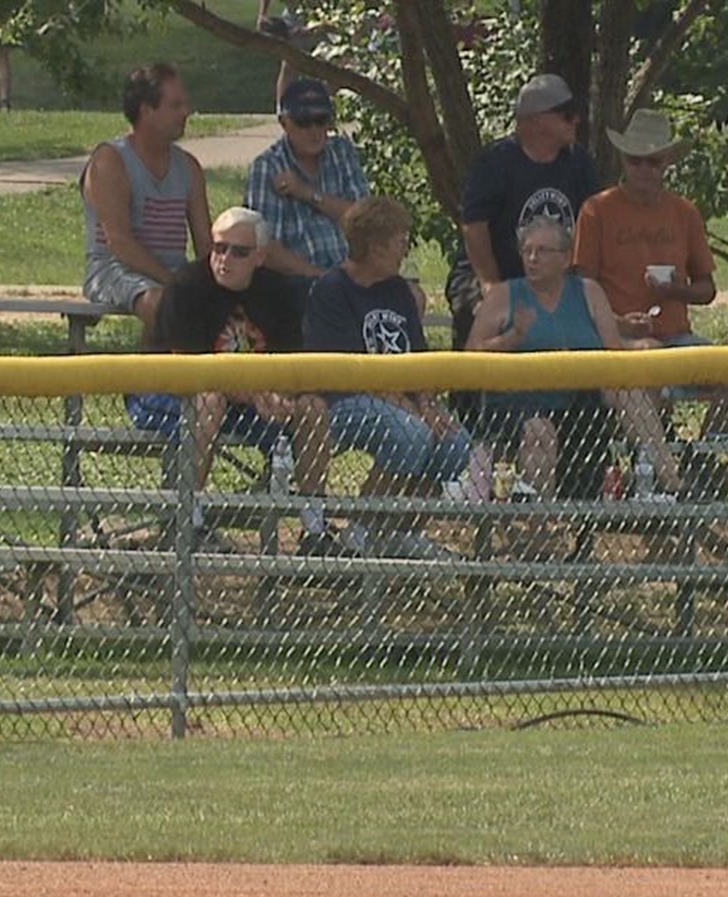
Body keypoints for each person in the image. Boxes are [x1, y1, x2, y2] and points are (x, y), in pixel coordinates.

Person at [131, 207, 352, 558]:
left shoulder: (276, 291)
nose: (224, 258)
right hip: (167, 393)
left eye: (239, 251)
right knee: (209, 400)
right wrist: (255, 394)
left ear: (260, 257)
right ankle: (189, 520)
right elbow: (189, 369)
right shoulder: (187, 286)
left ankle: (314, 529)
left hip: (249, 400)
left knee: (312, 407)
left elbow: (290, 360)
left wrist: (283, 394)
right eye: (218, 248)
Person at [466, 217, 683, 501]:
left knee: (627, 390)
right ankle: (540, 525)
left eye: (543, 251)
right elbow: (470, 355)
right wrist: (513, 337)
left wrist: (643, 347)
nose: (532, 258)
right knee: (539, 431)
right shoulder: (505, 295)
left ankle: (673, 483)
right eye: (527, 250)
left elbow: (614, 353)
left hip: (577, 403)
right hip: (518, 403)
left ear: (565, 258)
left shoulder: (588, 292)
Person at [304, 196, 472, 560]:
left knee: (455, 444)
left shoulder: (397, 290)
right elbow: (352, 372)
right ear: (376, 247)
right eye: (400, 242)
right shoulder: (333, 289)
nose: (405, 250)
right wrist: (412, 410)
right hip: (344, 401)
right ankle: (360, 530)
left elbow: (418, 358)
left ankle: (400, 531)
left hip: (403, 401)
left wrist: (427, 404)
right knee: (411, 436)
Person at [574, 107, 728, 476]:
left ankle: (698, 457)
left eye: (653, 162)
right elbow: (581, 290)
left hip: (677, 337)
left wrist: (678, 290)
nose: (644, 169)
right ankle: (658, 473)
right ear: (624, 161)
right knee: (648, 358)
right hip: (618, 340)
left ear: (666, 165)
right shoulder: (597, 211)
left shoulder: (684, 213)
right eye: (636, 160)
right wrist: (620, 325)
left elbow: (707, 289)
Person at [448, 73, 600, 354]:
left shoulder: (578, 162)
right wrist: (491, 285)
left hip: (553, 281)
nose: (576, 120)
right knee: (485, 321)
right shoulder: (496, 163)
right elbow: (474, 227)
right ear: (537, 120)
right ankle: (472, 397)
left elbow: (592, 222)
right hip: (490, 273)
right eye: (567, 114)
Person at [80, 63, 213, 344]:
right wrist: (174, 283)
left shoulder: (188, 167)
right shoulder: (110, 160)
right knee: (163, 305)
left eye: (185, 104)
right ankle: (157, 386)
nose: (185, 112)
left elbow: (205, 244)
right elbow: (120, 243)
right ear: (146, 110)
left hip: (173, 274)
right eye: (175, 105)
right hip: (115, 270)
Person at [244, 78, 372, 288]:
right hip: (299, 283)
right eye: (303, 121)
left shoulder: (341, 151)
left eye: (321, 120)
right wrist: (322, 277)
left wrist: (307, 193)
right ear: (284, 123)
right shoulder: (267, 167)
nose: (313, 130)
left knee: (412, 297)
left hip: (354, 275)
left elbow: (365, 220)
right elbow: (266, 248)